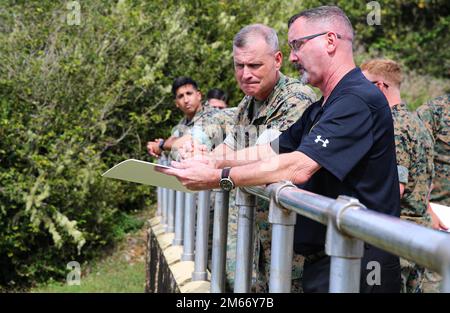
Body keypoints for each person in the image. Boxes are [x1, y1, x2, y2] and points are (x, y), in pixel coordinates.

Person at [159, 6, 401, 293]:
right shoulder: (322, 107)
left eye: (297, 45)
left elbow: (297, 167)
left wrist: (218, 177)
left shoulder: (357, 100)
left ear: (330, 41)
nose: (294, 57)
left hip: (359, 265)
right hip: (331, 259)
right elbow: (269, 151)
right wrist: (210, 160)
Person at [184, 24, 316, 292]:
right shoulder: (248, 102)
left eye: (255, 65)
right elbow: (230, 145)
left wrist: (212, 165)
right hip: (263, 237)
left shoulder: (295, 99)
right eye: (239, 65)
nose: (246, 74)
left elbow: (268, 155)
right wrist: (202, 159)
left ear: (278, 60)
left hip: (296, 244)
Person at [361, 59, 435, 293]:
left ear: (380, 86)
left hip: (396, 240)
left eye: (364, 87)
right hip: (419, 235)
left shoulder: (393, 126)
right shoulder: (418, 123)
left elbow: (396, 188)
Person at [146, 77, 233, 158]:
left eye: (189, 94)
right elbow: (173, 140)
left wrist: (161, 145)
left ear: (199, 95)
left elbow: (190, 140)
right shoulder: (184, 122)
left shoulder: (212, 115)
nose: (186, 100)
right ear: (176, 103)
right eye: (181, 96)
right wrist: (157, 147)